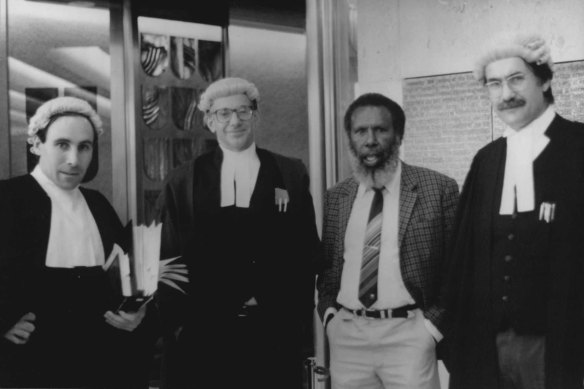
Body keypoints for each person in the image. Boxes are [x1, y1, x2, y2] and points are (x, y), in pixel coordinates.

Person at [154, 77, 320, 389]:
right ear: (209, 121)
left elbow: (306, 251)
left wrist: (292, 319)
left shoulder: (290, 172)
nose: (235, 121)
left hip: (272, 332)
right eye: (224, 113)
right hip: (202, 335)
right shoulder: (182, 180)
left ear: (255, 115)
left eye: (243, 111)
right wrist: (177, 326)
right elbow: (168, 255)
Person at [442, 33, 584, 389]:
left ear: (546, 80)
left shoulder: (579, 147)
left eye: (516, 79)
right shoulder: (487, 161)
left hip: (562, 348)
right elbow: (464, 261)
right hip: (488, 348)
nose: (506, 95)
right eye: (494, 84)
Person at [0, 96, 154, 388]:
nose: (74, 159)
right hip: (34, 361)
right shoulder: (7, 198)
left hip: (101, 357)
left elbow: (129, 276)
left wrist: (139, 312)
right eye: (62, 145)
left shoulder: (97, 203)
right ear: (36, 144)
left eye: (84, 147)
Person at [317, 93, 459, 389]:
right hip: (348, 336)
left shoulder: (437, 189)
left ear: (399, 134)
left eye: (380, 130)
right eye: (360, 131)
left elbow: (457, 268)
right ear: (350, 138)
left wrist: (431, 328)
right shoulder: (337, 196)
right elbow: (329, 267)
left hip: (409, 335)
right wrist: (330, 317)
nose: (370, 140)